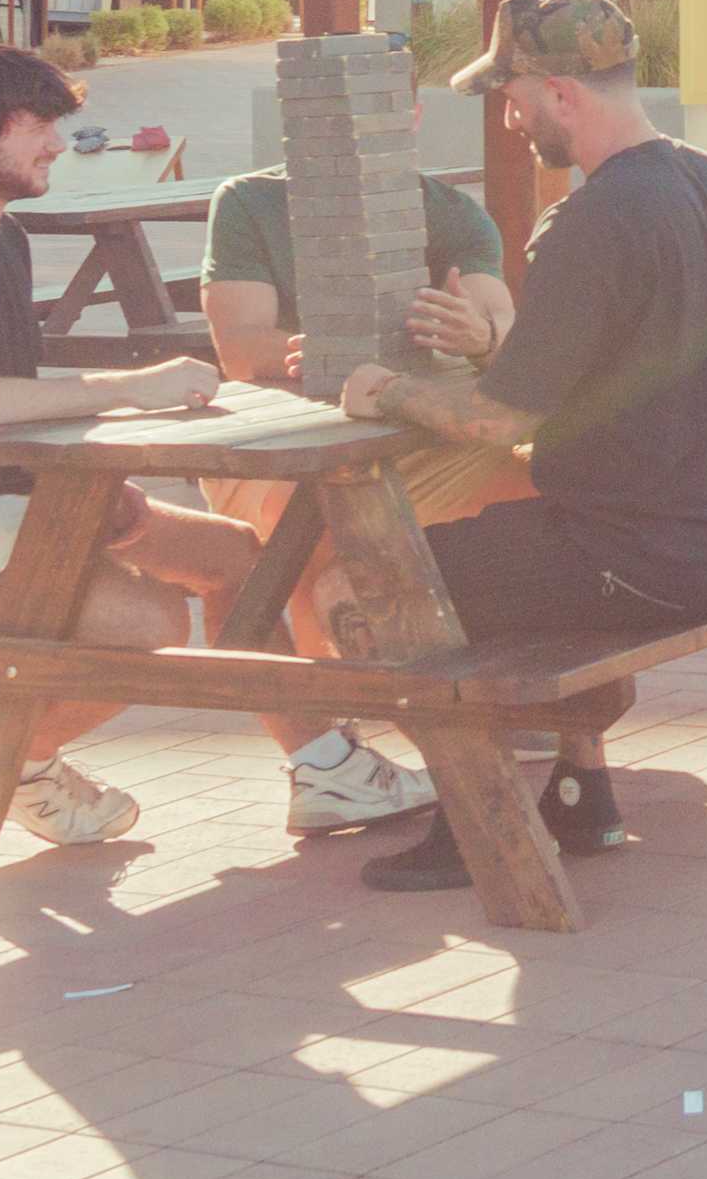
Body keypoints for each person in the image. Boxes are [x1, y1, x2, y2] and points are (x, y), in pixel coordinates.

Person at [329, 0, 707, 893]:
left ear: (560, 92)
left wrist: (385, 389)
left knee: (368, 584)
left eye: (512, 98)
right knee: (520, 549)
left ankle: (476, 816)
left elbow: (504, 420)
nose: (508, 120)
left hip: (645, 558)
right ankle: (581, 790)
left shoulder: (594, 222)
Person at [0, 43, 262, 849]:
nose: (57, 144)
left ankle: (320, 764)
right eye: (38, 125)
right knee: (149, 621)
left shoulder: (4, 237)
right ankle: (17, 763)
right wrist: (127, 389)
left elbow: (15, 406)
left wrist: (91, 485)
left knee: (236, 554)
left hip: (16, 503)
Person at [183, 147, 515, 836]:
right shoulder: (250, 202)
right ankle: (325, 759)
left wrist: (479, 336)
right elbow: (241, 350)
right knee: (294, 539)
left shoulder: (450, 211)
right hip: (279, 448)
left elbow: (495, 325)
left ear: (412, 116)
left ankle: (520, 705)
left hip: (413, 443)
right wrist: (323, 354)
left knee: (554, 485)